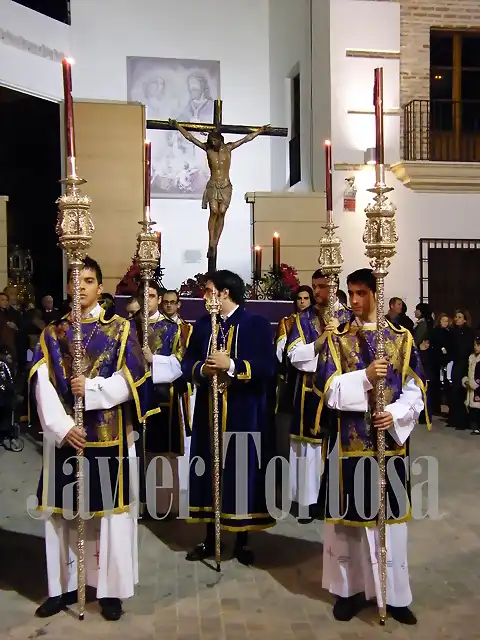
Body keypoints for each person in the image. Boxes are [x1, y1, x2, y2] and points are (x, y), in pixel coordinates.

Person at [30, 257, 157, 621]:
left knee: (112, 517)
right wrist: (61, 426)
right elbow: (41, 382)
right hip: (67, 436)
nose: (81, 287)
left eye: (88, 280)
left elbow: (133, 378)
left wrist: (94, 388)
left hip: (110, 437)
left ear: (100, 287)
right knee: (62, 514)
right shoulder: (53, 333)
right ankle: (63, 586)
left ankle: (111, 590)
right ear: (69, 287)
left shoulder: (119, 329)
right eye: (75, 281)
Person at [313, 268, 427, 625]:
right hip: (348, 444)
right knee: (347, 523)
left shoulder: (402, 338)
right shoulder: (338, 338)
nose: (355, 300)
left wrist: (394, 414)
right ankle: (347, 592)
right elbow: (327, 389)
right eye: (351, 293)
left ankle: (394, 596)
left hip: (389, 447)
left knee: (390, 523)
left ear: (377, 293)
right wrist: (363, 378)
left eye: (362, 293)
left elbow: (417, 389)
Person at [181, 270, 276, 564]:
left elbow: (268, 366)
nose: (204, 296)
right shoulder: (202, 326)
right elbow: (187, 363)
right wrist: (202, 369)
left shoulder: (255, 324)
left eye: (209, 290)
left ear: (225, 293)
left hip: (243, 411)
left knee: (241, 472)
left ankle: (243, 539)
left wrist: (232, 364)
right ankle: (211, 538)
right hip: (209, 412)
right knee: (209, 470)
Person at [286, 270, 351, 522]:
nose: (317, 292)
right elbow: (293, 353)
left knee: (339, 446)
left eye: (322, 286)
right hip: (310, 391)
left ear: (334, 286)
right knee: (309, 449)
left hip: (342, 391)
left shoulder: (349, 316)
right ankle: (308, 502)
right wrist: (320, 342)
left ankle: (337, 499)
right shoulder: (304, 319)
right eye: (314, 286)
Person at [169, 118, 270, 267]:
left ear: (220, 140)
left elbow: (245, 139)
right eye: (210, 140)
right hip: (213, 185)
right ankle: (211, 242)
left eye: (214, 140)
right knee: (214, 211)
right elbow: (190, 138)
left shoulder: (228, 148)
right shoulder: (207, 149)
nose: (212, 143)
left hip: (225, 185)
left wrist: (260, 130)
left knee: (222, 212)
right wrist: (177, 126)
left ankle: (216, 243)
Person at [140, 281, 193, 511]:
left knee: (160, 451)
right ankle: (134, 502)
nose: (147, 300)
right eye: (143, 296)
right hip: (131, 396)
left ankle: (162, 505)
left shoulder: (173, 329)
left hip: (162, 396)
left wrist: (154, 360)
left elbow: (181, 362)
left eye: (151, 296)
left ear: (158, 299)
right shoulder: (127, 327)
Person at [448, 309, 474, 430]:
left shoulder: (468, 332)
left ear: (465, 319)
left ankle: (462, 420)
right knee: (454, 390)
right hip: (455, 362)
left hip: (464, 363)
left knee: (459, 390)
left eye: (460, 317)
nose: (457, 319)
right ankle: (454, 418)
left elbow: (467, 348)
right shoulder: (452, 332)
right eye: (456, 317)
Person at [463, 337, 480, 435]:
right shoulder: (472, 357)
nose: (476, 347)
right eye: (475, 345)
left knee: (477, 408)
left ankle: (477, 427)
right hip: (471, 387)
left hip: (478, 387)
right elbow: (468, 371)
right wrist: (466, 381)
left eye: (478, 345)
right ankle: (475, 426)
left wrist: (476, 385)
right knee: (473, 408)